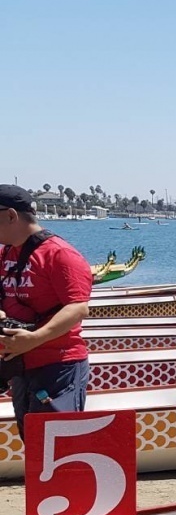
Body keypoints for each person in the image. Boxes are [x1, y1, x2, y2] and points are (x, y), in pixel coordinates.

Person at [0, 185, 92, 437]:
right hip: (20, 364)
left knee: (56, 442)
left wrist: (35, 339)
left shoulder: (60, 255)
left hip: (58, 364)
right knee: (32, 439)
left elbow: (77, 308)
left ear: (10, 215)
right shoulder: (6, 253)